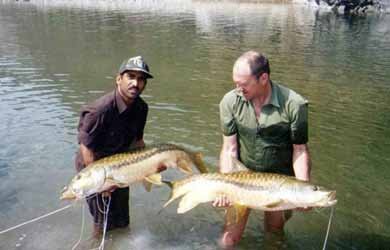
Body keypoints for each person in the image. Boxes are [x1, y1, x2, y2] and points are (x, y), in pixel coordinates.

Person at [214, 51, 311, 246]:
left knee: (274, 234)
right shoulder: (229, 102)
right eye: (235, 83)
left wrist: (303, 188)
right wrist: (224, 187)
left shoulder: (295, 104)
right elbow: (229, 149)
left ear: (263, 78)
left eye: (243, 84)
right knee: (228, 239)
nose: (238, 89)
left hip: (279, 180)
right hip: (242, 177)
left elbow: (300, 150)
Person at [74, 56, 153, 237]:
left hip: (120, 166)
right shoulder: (99, 110)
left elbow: (138, 142)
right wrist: (102, 182)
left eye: (141, 79)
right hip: (93, 168)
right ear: (119, 79)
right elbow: (86, 148)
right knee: (103, 224)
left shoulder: (141, 108)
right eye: (131, 77)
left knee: (122, 220)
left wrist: (149, 166)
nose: (136, 83)